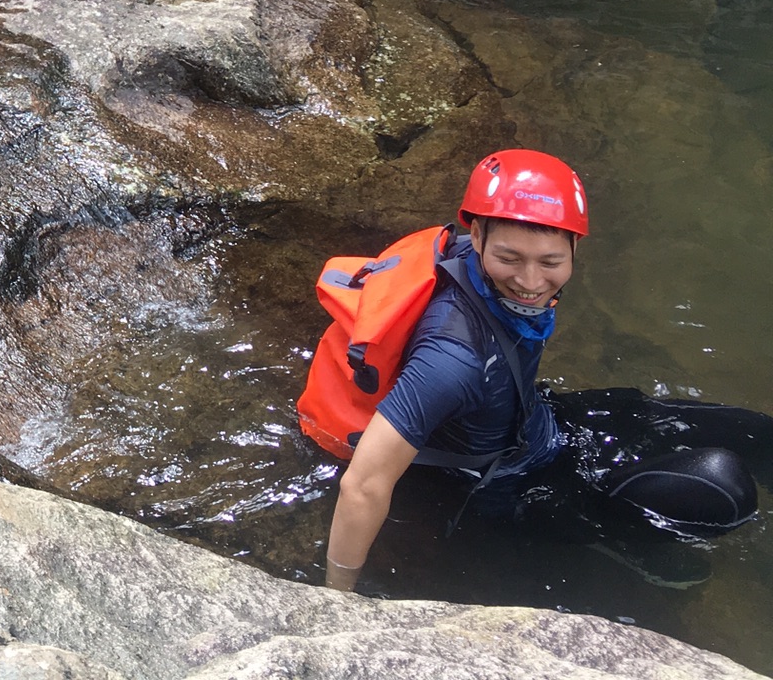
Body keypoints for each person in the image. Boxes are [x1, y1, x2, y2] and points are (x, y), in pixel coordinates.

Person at [322, 150, 767, 592]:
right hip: (515, 486)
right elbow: (363, 483)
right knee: (719, 485)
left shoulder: (470, 264)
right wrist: (336, 598)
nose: (531, 282)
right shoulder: (452, 361)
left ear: (575, 245)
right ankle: (624, 540)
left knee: (752, 431)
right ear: (476, 236)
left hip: (539, 422)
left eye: (550, 262)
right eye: (511, 259)